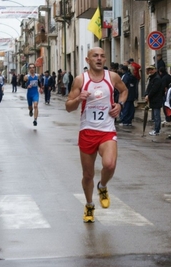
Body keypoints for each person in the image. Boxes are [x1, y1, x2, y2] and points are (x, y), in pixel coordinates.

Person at [65, 47, 128, 223]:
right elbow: (68, 106)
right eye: (95, 56)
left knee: (109, 164)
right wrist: (79, 99)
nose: (99, 59)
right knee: (87, 175)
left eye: (102, 56)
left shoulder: (112, 77)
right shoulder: (80, 80)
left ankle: (103, 186)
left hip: (107, 129)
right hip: (87, 131)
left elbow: (124, 91)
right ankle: (89, 205)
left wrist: (120, 105)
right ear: (88, 60)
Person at [144, 65, 163, 135]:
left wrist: (148, 96)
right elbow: (148, 88)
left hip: (156, 99)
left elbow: (154, 89)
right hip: (153, 100)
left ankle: (157, 130)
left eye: (151, 69)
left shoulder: (157, 78)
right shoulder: (151, 78)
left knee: (157, 116)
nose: (150, 71)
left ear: (155, 70)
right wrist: (146, 94)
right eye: (149, 70)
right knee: (155, 116)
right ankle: (156, 129)